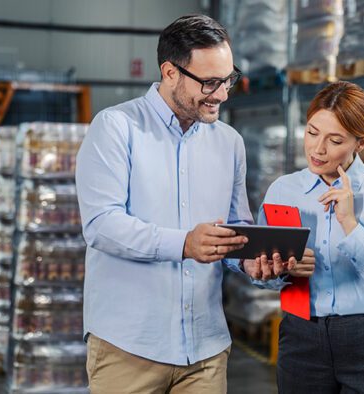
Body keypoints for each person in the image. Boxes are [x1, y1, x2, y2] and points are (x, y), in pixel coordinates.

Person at [76, 14, 268, 393]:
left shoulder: (229, 142)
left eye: (228, 80)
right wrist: (184, 244)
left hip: (206, 350)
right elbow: (101, 224)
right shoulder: (116, 127)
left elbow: (233, 230)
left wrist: (255, 261)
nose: (223, 95)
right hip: (129, 348)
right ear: (170, 72)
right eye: (210, 83)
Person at [244, 81, 364, 393]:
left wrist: (350, 223)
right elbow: (261, 276)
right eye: (311, 132)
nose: (317, 149)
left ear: (360, 143)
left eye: (335, 140)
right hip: (300, 337)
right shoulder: (283, 191)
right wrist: (275, 270)